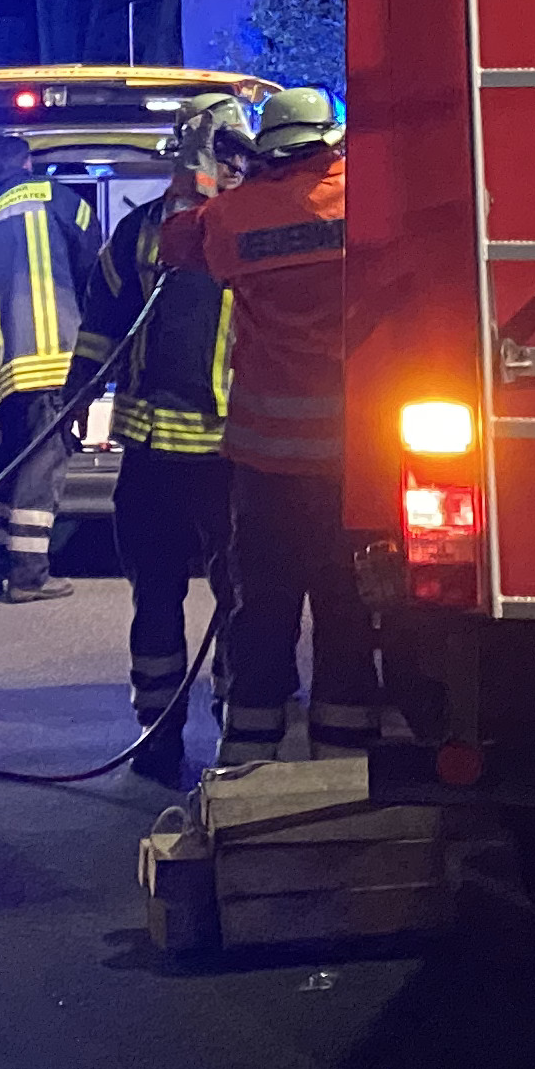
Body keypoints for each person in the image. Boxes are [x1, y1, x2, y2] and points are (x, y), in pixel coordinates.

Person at [186, 87, 381, 762]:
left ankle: (248, 752)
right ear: (329, 139)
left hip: (264, 464)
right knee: (346, 606)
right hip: (352, 460)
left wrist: (200, 172)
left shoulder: (233, 215)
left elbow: (176, 242)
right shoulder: (364, 200)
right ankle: (344, 756)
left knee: (262, 608)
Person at [91, 99, 246, 781]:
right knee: (193, 598)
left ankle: (222, 730)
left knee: (223, 599)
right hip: (197, 453)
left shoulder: (160, 230)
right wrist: (77, 389)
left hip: (211, 453)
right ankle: (174, 733)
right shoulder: (152, 232)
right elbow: (103, 321)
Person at [0, 131, 88, 602]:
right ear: (28, 164)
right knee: (41, 466)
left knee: (6, 466)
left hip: (3, 369)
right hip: (53, 359)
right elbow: (95, 262)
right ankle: (30, 576)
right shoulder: (58, 197)